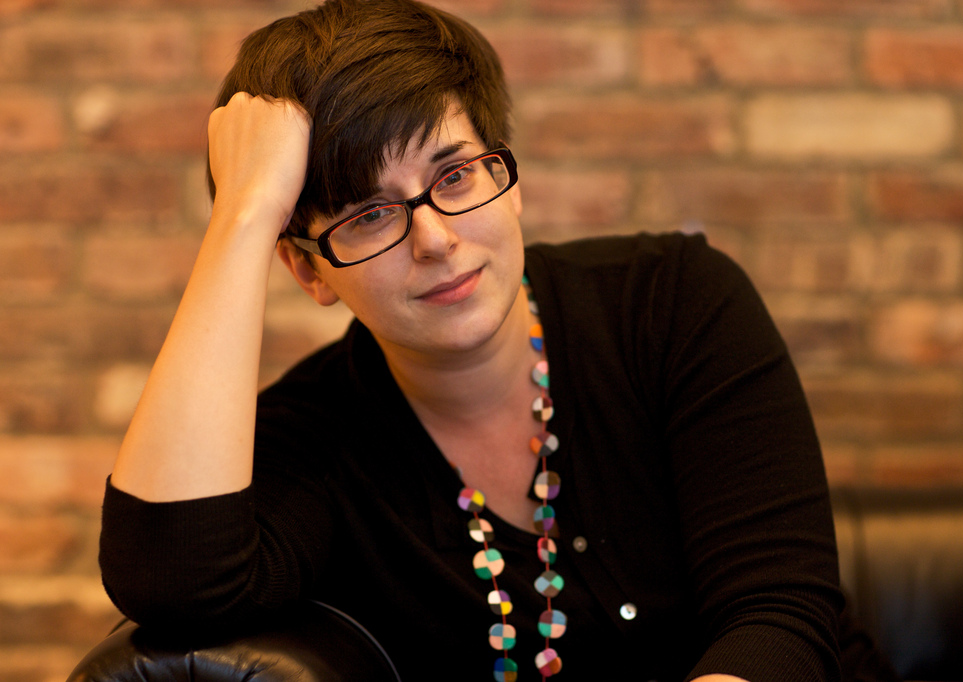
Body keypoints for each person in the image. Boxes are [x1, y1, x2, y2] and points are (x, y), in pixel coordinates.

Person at [98, 1, 890, 680]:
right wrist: (243, 216)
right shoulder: (319, 440)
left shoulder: (671, 300)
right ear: (309, 270)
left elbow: (780, 614)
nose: (436, 240)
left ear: (509, 183)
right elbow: (170, 581)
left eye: (455, 176)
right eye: (369, 215)